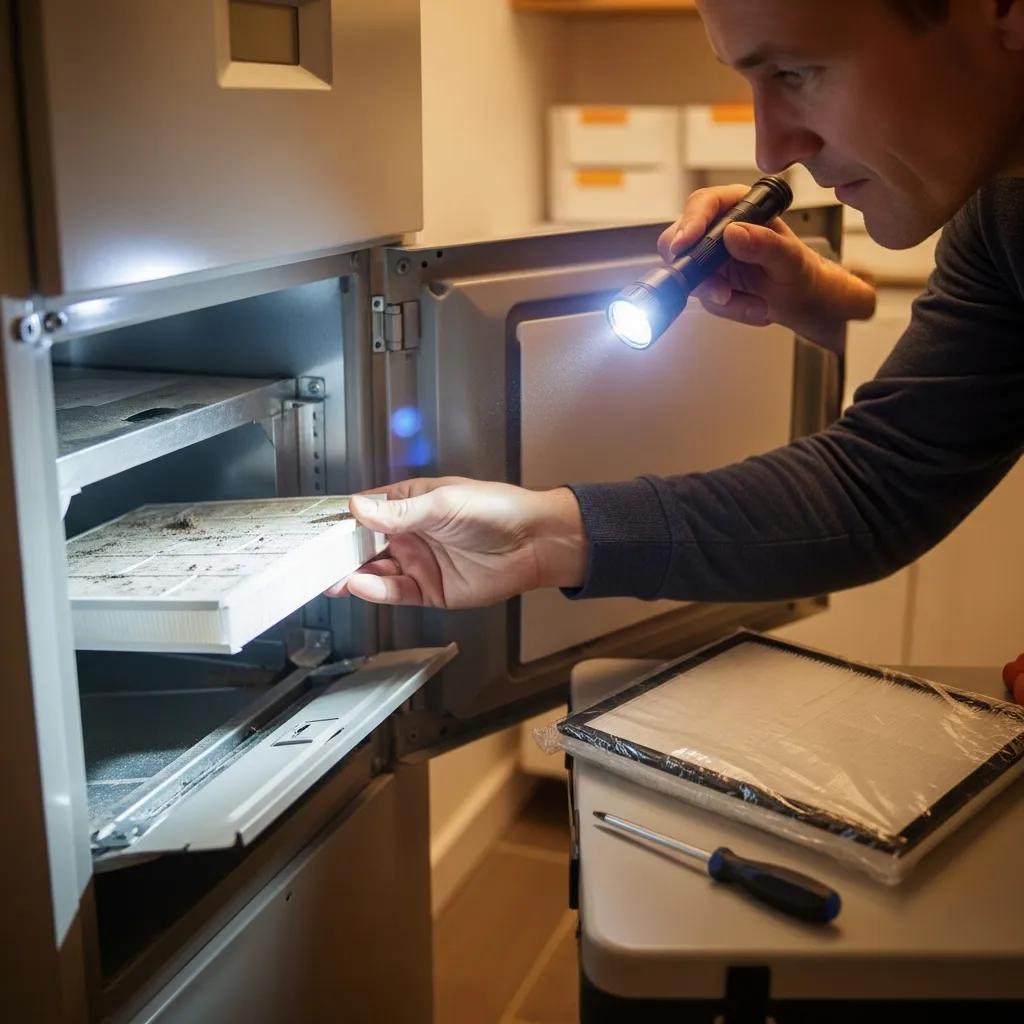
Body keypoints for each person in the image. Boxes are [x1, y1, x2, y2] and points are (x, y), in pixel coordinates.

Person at [328, 0, 1024, 699]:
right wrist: (541, 537)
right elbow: (879, 483)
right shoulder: (1000, 221)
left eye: (795, 71)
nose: (771, 149)